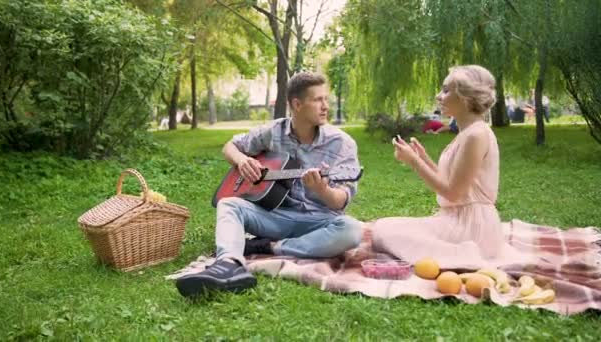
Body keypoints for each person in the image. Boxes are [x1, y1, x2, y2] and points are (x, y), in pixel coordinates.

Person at [175, 72, 362, 298]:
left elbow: (341, 200)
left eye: (326, 99)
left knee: (352, 230)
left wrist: (321, 189)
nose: (325, 106)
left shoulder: (342, 143)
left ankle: (269, 247)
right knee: (229, 204)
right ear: (297, 104)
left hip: (318, 221)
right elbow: (230, 146)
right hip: (275, 215)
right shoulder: (273, 131)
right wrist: (243, 160)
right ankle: (228, 265)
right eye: (318, 100)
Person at [365, 65, 505, 264]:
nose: (439, 96)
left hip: (471, 227)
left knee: (383, 233)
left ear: (466, 98)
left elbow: (453, 193)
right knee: (382, 227)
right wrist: (423, 159)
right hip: (456, 219)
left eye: (446, 90)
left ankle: (466, 256)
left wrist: (414, 163)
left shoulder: (476, 135)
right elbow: (452, 181)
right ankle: (454, 253)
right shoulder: (468, 133)